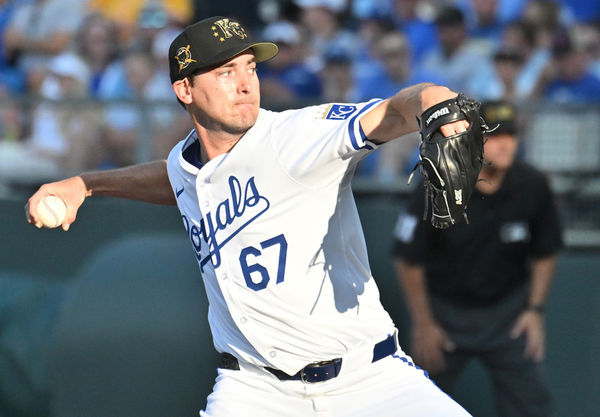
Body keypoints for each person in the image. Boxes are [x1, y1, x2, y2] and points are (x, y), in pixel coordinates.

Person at [26, 15, 474, 417]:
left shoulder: (296, 137)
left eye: (251, 68)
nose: (245, 84)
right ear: (185, 89)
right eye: (226, 72)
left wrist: (433, 99)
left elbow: (394, 111)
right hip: (255, 390)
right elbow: (175, 180)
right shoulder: (186, 165)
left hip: (369, 380)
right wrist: (86, 183)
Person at [393, 99, 563, 417]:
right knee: (417, 403)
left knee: (531, 405)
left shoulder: (532, 185)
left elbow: (546, 251)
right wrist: (424, 322)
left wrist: (535, 310)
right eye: (494, 136)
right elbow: (408, 257)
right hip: (445, 313)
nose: (505, 145)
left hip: (507, 314)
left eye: (510, 136)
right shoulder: (439, 180)